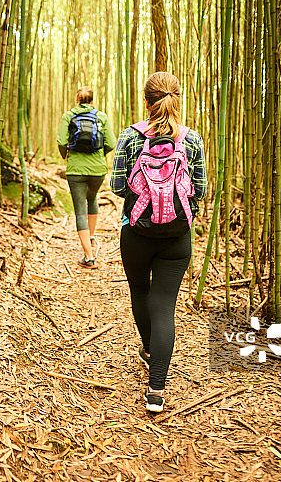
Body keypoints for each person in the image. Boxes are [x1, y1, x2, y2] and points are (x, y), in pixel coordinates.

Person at [110, 72, 207, 412]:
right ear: (178, 99)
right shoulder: (192, 140)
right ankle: (156, 391)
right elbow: (201, 190)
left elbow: (117, 186)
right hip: (177, 238)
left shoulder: (130, 136)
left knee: (140, 292)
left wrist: (146, 195)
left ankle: (150, 349)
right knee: (164, 306)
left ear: (146, 101)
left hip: (136, 232)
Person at [57, 87, 116, 268]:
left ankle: (88, 257)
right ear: (92, 101)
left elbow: (61, 141)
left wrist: (66, 156)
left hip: (76, 169)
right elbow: (111, 143)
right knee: (92, 197)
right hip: (98, 169)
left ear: (77, 100)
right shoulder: (101, 116)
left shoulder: (68, 116)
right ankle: (89, 237)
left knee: (80, 210)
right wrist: (99, 155)